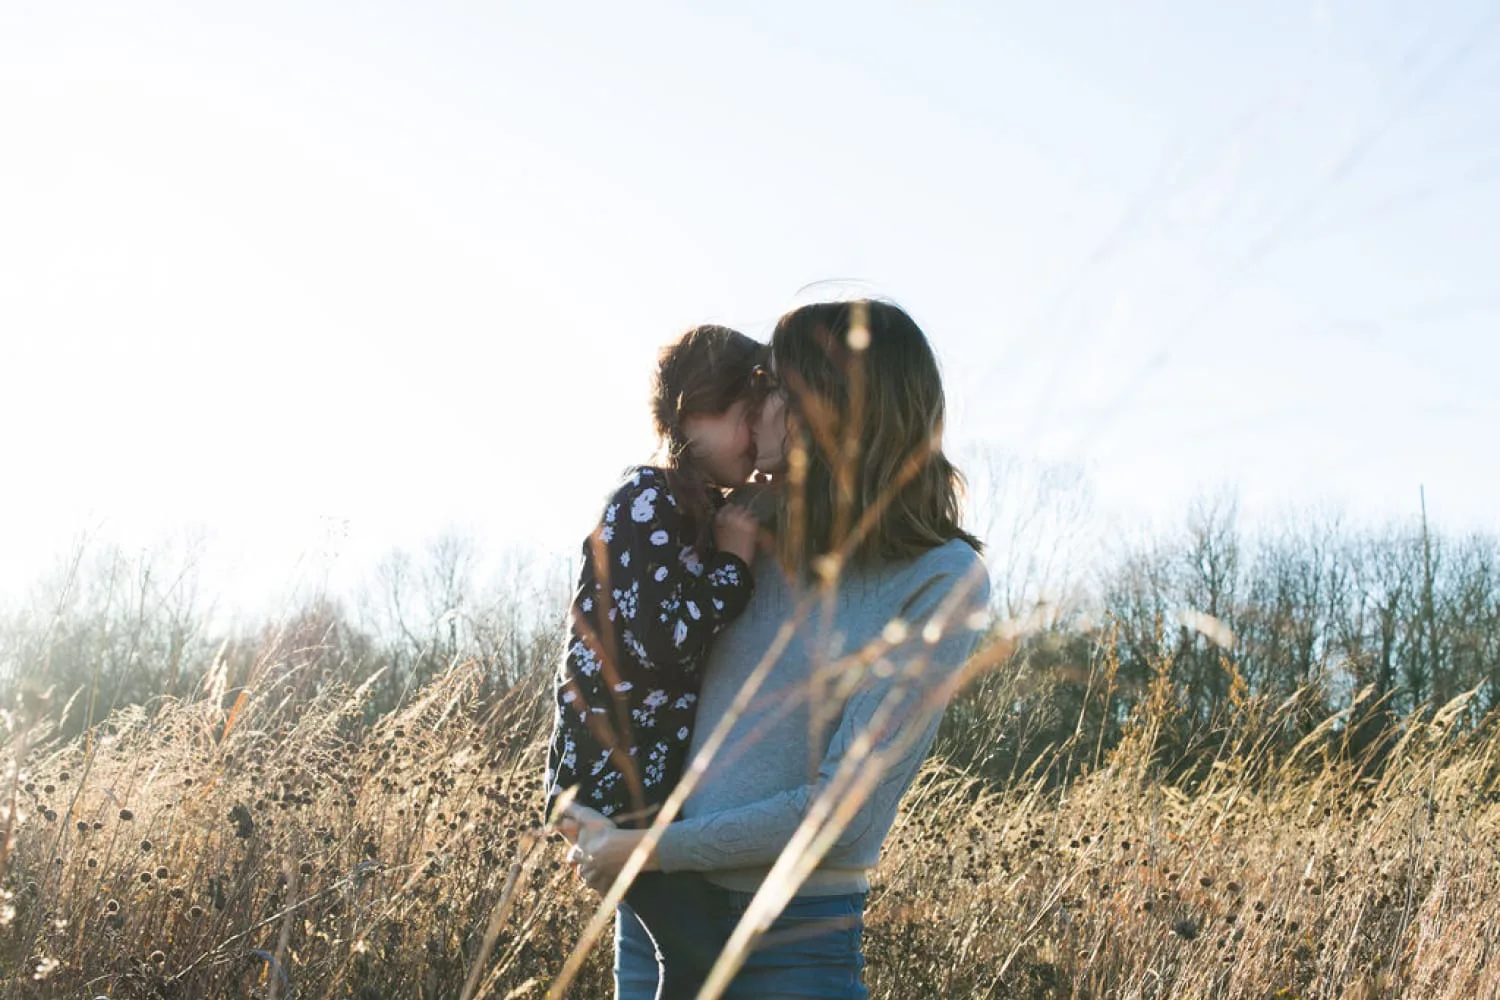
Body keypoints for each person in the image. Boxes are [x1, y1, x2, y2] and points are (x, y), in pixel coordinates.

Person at [566, 299, 993, 999]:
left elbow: (841, 814)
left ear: (825, 412)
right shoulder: (734, 534)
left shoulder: (939, 580)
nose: (752, 404)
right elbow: (624, 661)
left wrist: (648, 849)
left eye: (771, 387)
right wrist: (586, 803)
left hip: (795, 939)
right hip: (659, 929)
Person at [543, 324, 769, 965]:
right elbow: (663, 641)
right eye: (747, 416)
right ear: (695, 410)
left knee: (696, 954)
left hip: (633, 787)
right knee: (698, 957)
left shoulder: (684, 505)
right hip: (613, 793)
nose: (756, 438)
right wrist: (735, 565)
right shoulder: (648, 502)